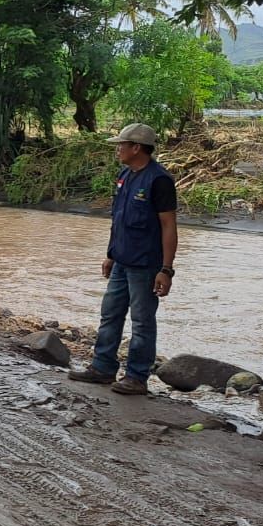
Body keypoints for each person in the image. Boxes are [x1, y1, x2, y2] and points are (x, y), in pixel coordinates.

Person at [69, 123, 178, 396]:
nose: (117, 149)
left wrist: (166, 269)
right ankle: (102, 368)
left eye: (121, 145)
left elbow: (169, 226)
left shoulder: (159, 180)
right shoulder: (125, 175)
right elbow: (118, 220)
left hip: (145, 264)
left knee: (142, 321)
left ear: (136, 148)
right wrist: (110, 254)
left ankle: (137, 377)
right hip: (121, 260)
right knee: (110, 314)